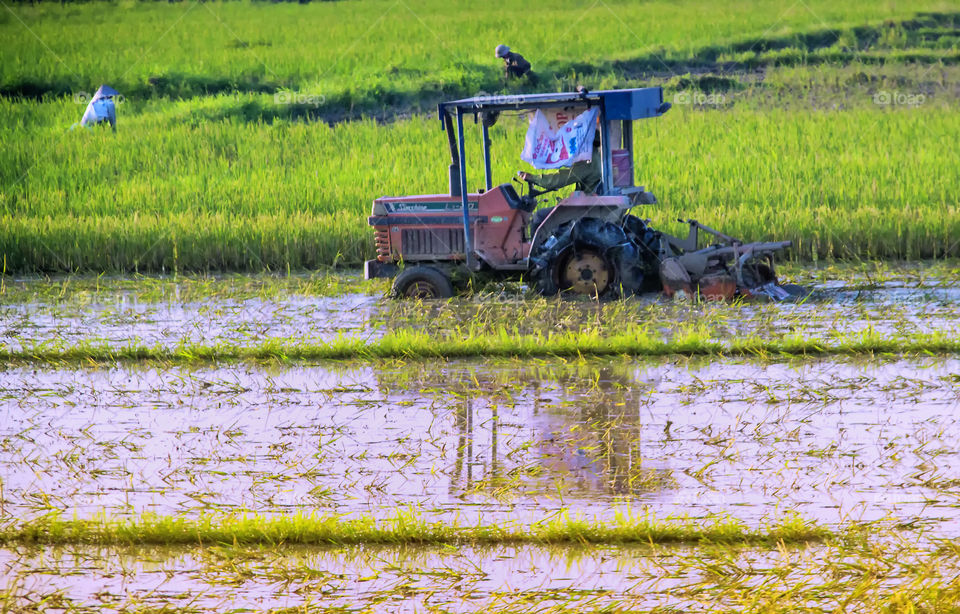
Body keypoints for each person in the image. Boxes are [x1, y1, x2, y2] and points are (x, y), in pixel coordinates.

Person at [519, 141, 602, 194]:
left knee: (539, 215)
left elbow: (559, 180)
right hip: (589, 202)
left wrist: (533, 178)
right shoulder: (595, 153)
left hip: (587, 207)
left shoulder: (588, 160)